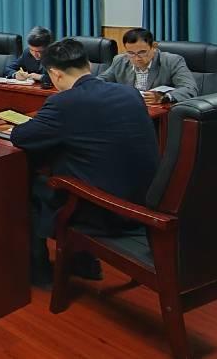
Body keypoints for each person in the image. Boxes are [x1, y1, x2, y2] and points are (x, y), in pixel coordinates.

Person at [10, 39, 160, 288]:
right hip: (144, 202)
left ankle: (40, 272)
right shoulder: (129, 93)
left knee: (28, 187)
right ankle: (85, 264)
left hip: (106, 212)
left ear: (55, 74)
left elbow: (20, 137)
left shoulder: (64, 103)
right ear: (88, 65)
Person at [98, 28, 198, 103]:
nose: (137, 58)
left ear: (153, 47)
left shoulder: (172, 61)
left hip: (159, 114)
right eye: (131, 53)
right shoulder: (120, 60)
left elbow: (190, 88)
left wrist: (164, 97)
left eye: (142, 52)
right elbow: (100, 81)